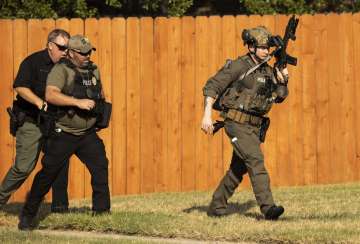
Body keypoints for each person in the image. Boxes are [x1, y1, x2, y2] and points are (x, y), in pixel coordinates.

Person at [18, 34, 111, 230]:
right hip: (64, 132)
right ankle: (27, 215)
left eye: (89, 52)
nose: (86, 55)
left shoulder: (93, 69)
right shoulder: (60, 70)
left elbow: (100, 93)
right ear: (71, 52)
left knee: (100, 166)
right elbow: (50, 95)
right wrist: (77, 102)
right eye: (82, 52)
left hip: (87, 133)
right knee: (48, 174)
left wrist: (101, 112)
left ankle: (102, 213)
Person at [202, 26, 289, 220]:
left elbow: (279, 96)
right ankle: (268, 208)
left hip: (254, 126)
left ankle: (216, 207)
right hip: (236, 123)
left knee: (238, 169)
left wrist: (283, 79)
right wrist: (207, 114)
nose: (267, 51)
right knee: (255, 160)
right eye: (263, 47)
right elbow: (212, 85)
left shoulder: (267, 69)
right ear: (251, 47)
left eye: (268, 48)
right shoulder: (239, 66)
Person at [0, 29, 71, 213]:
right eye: (62, 47)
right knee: (23, 167)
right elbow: (20, 87)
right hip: (32, 121)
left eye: (67, 48)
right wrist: (39, 102)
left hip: (55, 121)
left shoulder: (67, 66)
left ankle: (60, 208)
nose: (65, 51)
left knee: (59, 162)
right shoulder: (33, 62)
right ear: (50, 45)